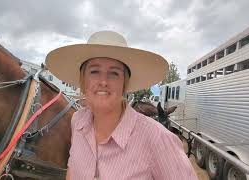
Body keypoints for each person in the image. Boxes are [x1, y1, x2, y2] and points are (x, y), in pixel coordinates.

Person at [46, 31, 198, 180]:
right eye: (94, 71)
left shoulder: (158, 139)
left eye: (114, 73)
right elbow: (72, 169)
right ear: (83, 81)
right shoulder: (77, 121)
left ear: (125, 84)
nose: (103, 81)